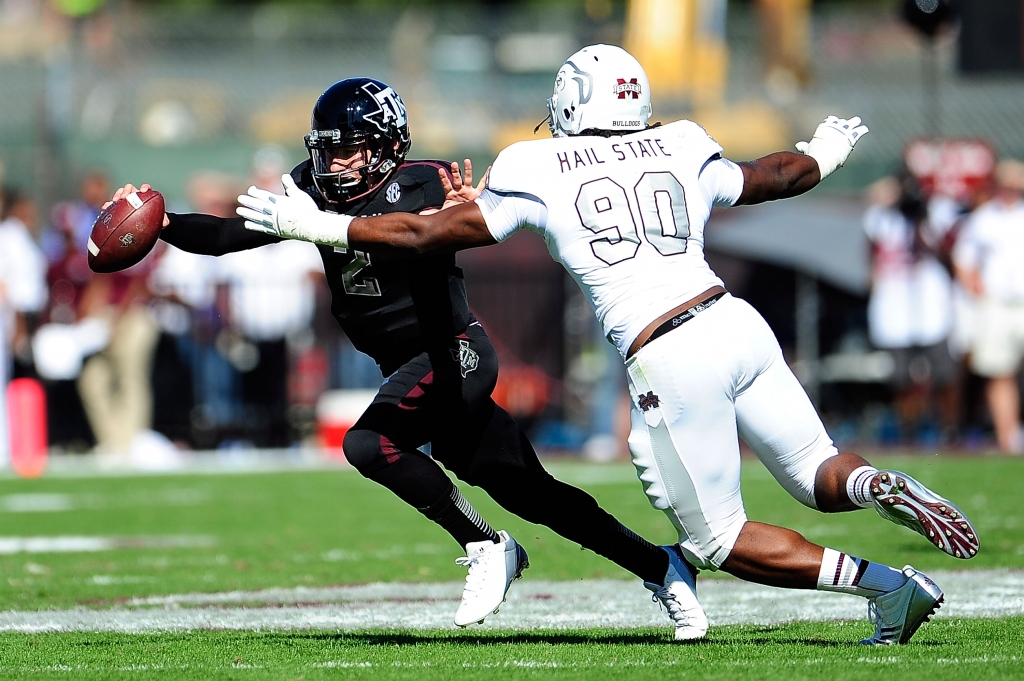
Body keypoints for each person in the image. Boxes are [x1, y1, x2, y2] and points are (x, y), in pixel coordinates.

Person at [241, 47, 981, 645]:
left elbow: (428, 233)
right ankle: (875, 485)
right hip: (734, 318)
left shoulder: (536, 165)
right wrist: (823, 152)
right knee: (819, 470)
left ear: (570, 104)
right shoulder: (683, 141)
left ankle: (884, 583)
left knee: (719, 541)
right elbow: (769, 176)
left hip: (669, 348)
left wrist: (321, 227)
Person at [108, 78, 704, 636]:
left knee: (369, 444)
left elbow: (460, 226)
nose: (331, 164)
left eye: (348, 150)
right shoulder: (312, 189)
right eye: (326, 150)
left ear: (386, 147)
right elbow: (228, 235)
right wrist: (160, 224)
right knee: (534, 492)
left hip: (453, 352)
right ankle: (661, 566)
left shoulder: (425, 183)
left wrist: (466, 210)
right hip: (410, 365)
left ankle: (486, 545)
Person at [863, 172, 958, 444]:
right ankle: (909, 431)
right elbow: (870, 256)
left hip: (930, 307)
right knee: (901, 377)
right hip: (895, 307)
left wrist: (922, 221)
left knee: (942, 373)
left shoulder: (934, 216)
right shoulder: (881, 218)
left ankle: (948, 429)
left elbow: (945, 253)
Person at [952, 159, 1024, 453]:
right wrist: (976, 289)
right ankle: (1009, 440)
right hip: (997, 303)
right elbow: (964, 258)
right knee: (999, 372)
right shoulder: (983, 219)